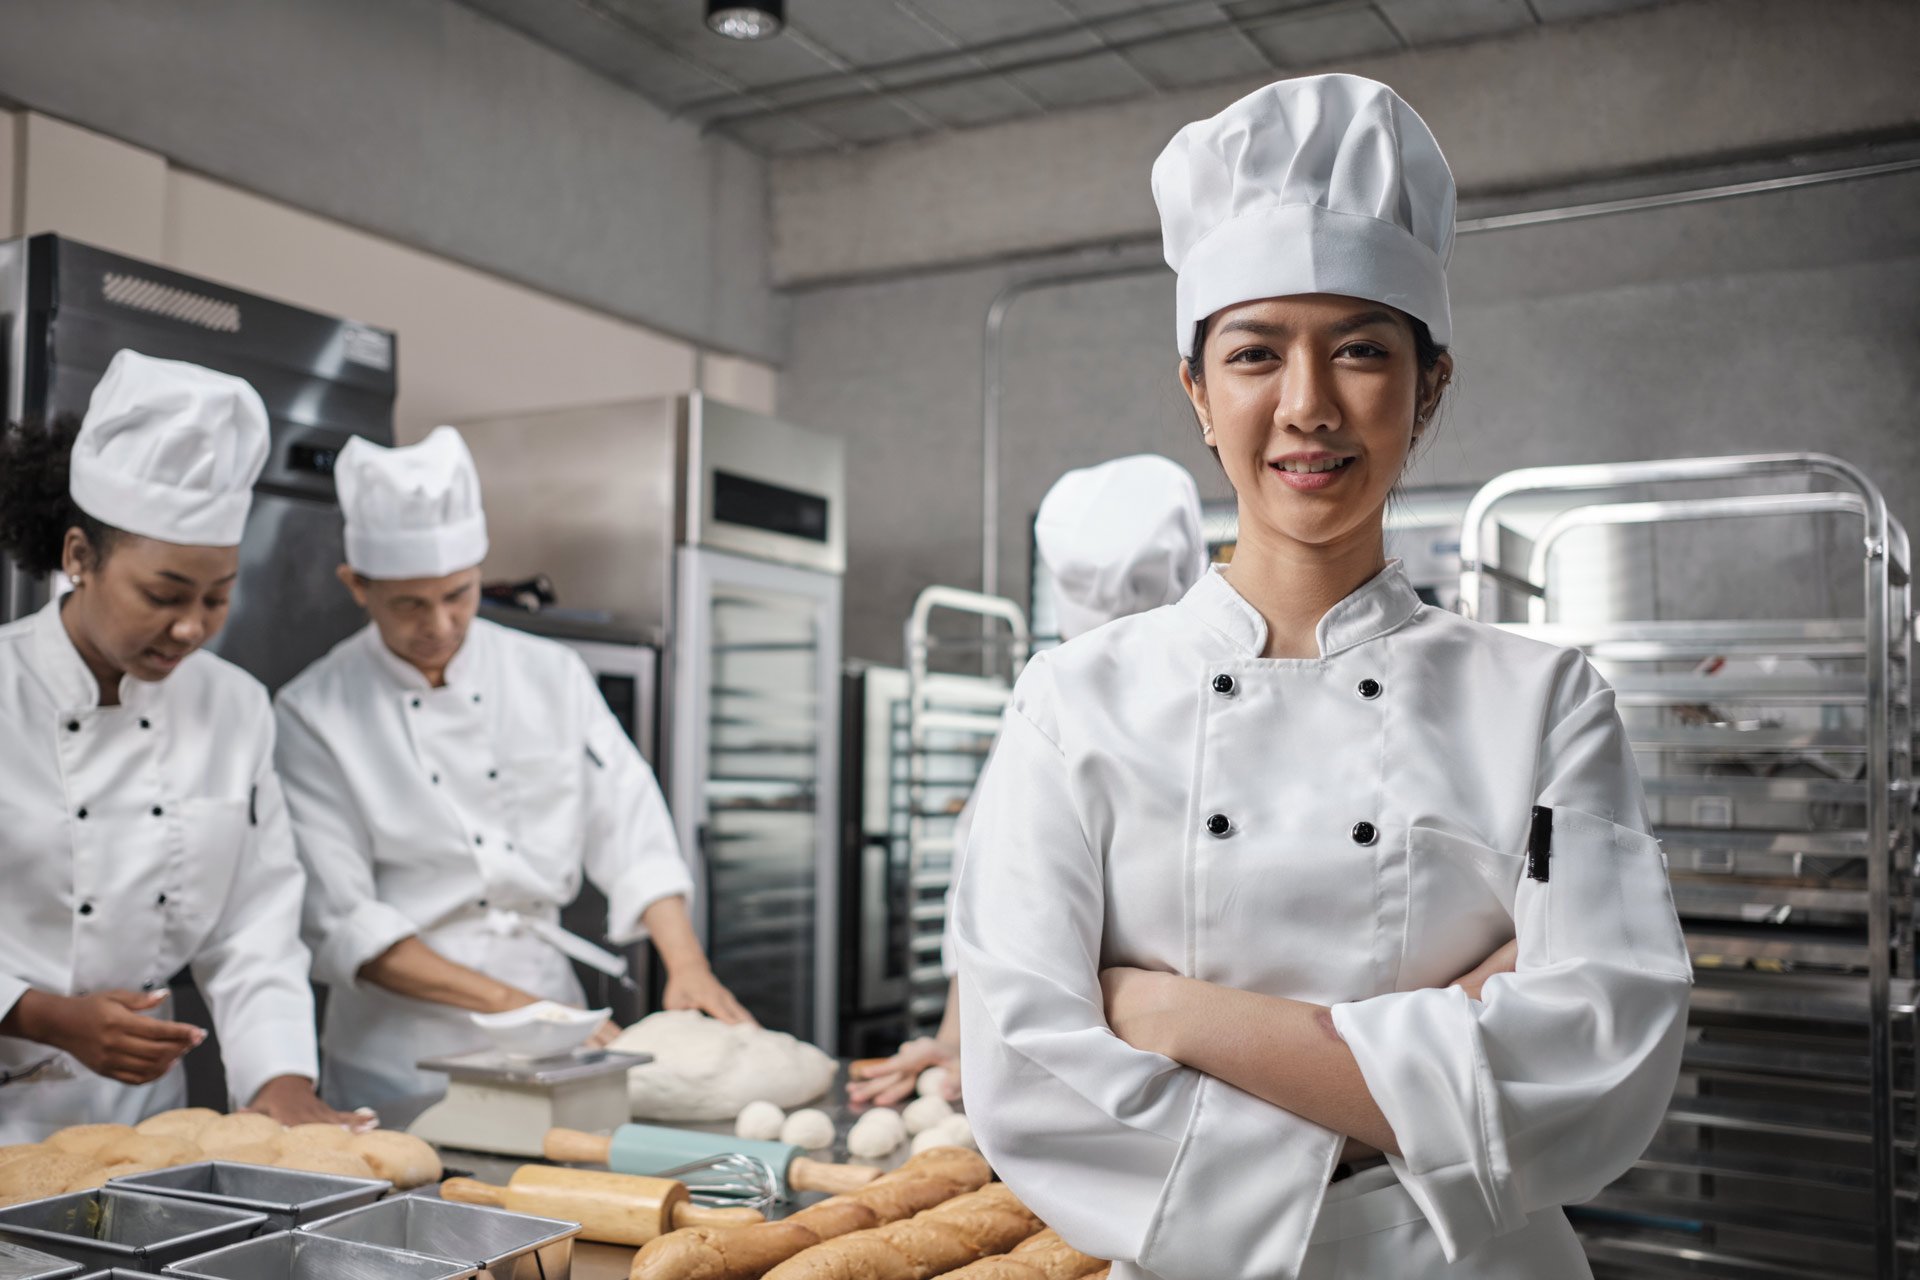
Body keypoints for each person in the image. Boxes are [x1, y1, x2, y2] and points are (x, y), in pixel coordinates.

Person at [954, 74, 1692, 1279]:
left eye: (1360, 349)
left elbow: (1603, 1050)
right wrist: (1439, 1050)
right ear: (1198, 392)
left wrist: (1172, 1012)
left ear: (1429, 384)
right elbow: (1028, 1074)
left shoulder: (1546, 700)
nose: (1308, 406)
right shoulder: (1071, 702)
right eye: (1255, 353)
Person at [275, 426, 752, 1109]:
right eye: (410, 602)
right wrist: (522, 1010)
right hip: (401, 1056)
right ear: (358, 585)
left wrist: (688, 965)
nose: (440, 622)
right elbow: (347, 922)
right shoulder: (312, 712)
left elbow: (629, 817)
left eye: (459, 594)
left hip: (554, 1030)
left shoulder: (547, 673)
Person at [0, 350, 354, 1139]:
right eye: (162, 596)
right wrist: (45, 1015)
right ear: (78, 558)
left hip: (139, 1128)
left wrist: (280, 1079)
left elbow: (255, 922)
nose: (192, 627)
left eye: (218, 597)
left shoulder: (234, 707)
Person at [849, 453, 1207, 1107]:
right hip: (1064, 1078)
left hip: (1207, 1071)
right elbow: (988, 879)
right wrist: (957, 1042)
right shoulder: (1053, 704)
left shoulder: (1234, 696)